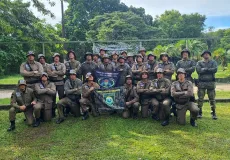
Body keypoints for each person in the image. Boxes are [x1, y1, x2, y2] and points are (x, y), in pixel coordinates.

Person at [196, 50, 218, 119]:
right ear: (202, 56)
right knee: (200, 98)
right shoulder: (199, 63)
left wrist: (205, 69)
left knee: (212, 99)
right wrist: (208, 70)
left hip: (211, 83)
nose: (206, 55)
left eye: (207, 54)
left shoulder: (213, 62)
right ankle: (199, 112)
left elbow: (215, 69)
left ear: (209, 55)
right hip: (201, 83)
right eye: (205, 54)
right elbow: (198, 70)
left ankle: (213, 113)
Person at [47, 53, 66, 117]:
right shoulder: (50, 65)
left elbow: (63, 72)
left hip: (60, 83)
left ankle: (62, 111)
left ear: (59, 58)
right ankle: (53, 112)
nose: (56, 58)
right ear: (53, 58)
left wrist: (54, 72)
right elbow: (49, 73)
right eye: (55, 57)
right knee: (53, 98)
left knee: (61, 97)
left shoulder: (62, 65)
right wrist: (59, 73)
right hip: (52, 84)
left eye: (57, 57)